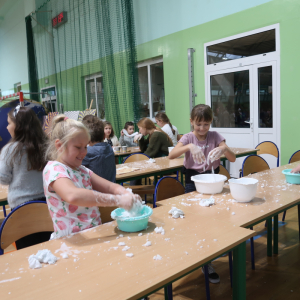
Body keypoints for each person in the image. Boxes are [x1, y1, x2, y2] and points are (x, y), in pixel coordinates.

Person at [43, 115, 141, 239]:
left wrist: (125, 193)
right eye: (78, 147)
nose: (84, 152)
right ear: (59, 145)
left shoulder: (82, 170)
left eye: (85, 146)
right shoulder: (54, 170)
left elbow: (109, 186)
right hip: (71, 240)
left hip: (94, 233)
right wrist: (117, 200)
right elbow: (73, 195)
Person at [168, 104, 236, 284]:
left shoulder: (215, 137)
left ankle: (212, 251)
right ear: (191, 122)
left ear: (211, 123)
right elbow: (172, 155)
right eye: (198, 124)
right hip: (193, 182)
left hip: (214, 182)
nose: (202, 129)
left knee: (216, 219)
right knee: (197, 222)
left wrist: (223, 149)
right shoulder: (189, 137)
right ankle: (203, 260)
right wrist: (189, 146)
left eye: (206, 124)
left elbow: (233, 158)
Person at [0, 106, 50, 249]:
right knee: (50, 245)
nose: (7, 126)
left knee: (28, 251)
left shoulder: (10, 150)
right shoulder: (46, 145)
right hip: (47, 205)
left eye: (9, 122)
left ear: (18, 125)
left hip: (21, 211)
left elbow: (3, 178)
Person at [82, 116, 116, 182]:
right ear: (104, 136)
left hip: (95, 191)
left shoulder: (87, 153)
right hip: (112, 190)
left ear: (87, 138)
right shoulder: (109, 148)